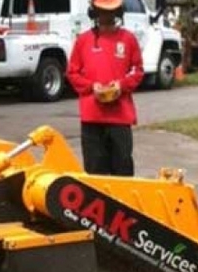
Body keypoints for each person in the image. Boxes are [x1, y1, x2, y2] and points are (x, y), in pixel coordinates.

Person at [67, 0, 144, 176]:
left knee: (123, 169)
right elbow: (72, 73)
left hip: (120, 117)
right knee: (94, 173)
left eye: (111, 11)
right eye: (102, 11)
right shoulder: (83, 40)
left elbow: (138, 70)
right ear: (93, 12)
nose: (106, 16)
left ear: (119, 12)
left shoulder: (128, 39)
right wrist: (91, 87)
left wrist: (121, 85)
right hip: (92, 117)